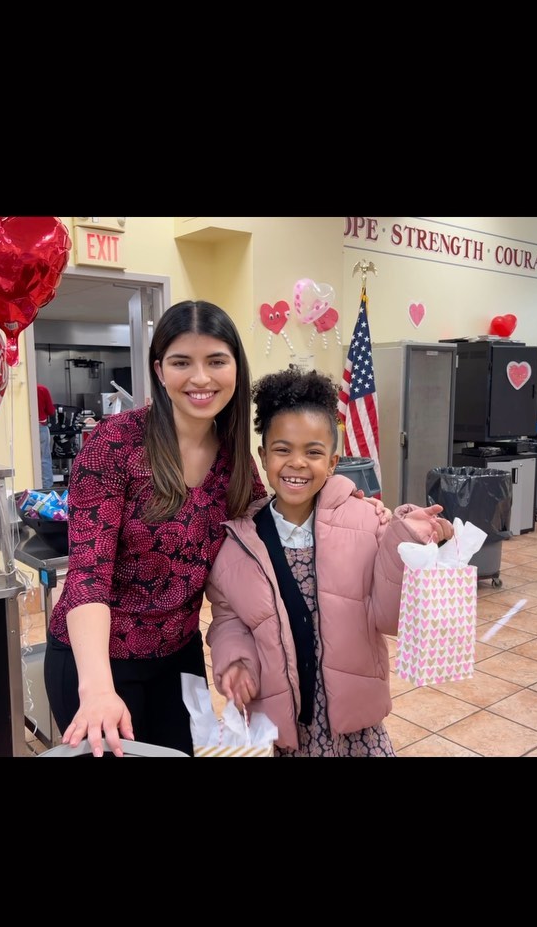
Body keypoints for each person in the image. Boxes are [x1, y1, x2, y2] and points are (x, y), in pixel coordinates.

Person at [43, 300, 268, 757]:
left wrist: (355, 512)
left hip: (178, 657)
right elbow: (87, 576)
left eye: (216, 361)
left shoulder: (235, 462)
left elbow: (271, 537)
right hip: (97, 661)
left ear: (236, 370)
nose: (201, 378)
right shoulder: (115, 444)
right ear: (159, 370)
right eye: (182, 362)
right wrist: (98, 689)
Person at [205, 368, 454, 757]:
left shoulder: (368, 521)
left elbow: (389, 617)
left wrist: (408, 539)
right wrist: (236, 662)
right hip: (285, 720)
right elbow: (229, 621)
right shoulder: (238, 544)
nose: (297, 463)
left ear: (334, 461)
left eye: (313, 452)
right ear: (263, 455)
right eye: (283, 449)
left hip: (356, 724)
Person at [37, 382, 56, 491]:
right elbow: (51, 411)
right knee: (44, 457)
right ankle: (46, 488)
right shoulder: (42, 389)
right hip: (41, 425)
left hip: (23, 426)